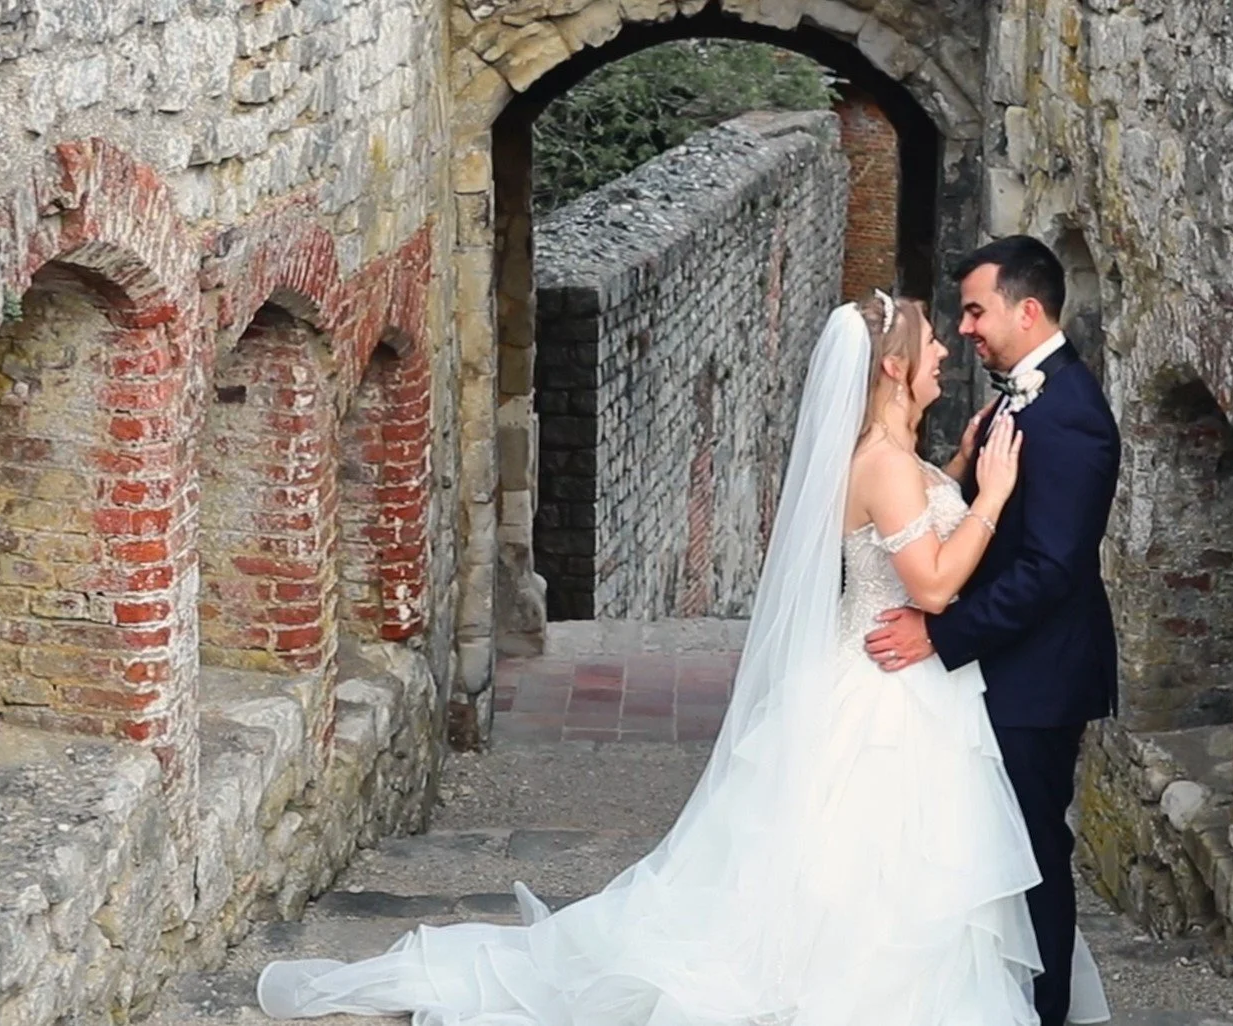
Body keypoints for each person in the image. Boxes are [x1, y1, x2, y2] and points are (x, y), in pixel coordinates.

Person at [255, 290, 1110, 1025]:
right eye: (928, 342)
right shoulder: (883, 463)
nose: (941, 352)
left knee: (885, 865)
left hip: (907, 685)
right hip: (885, 689)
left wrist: (955, 474)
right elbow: (926, 589)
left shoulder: (902, 459)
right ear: (890, 367)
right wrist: (990, 498)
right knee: (875, 864)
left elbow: (913, 533)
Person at [865, 235, 1123, 1026]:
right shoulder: (1016, 402)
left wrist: (939, 636)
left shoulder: (1072, 417)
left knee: (1033, 860)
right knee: (982, 857)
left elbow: (1050, 569)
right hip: (992, 672)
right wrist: (965, 465)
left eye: (976, 311)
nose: (965, 328)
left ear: (1028, 308)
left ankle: (1040, 1013)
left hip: (1035, 680)